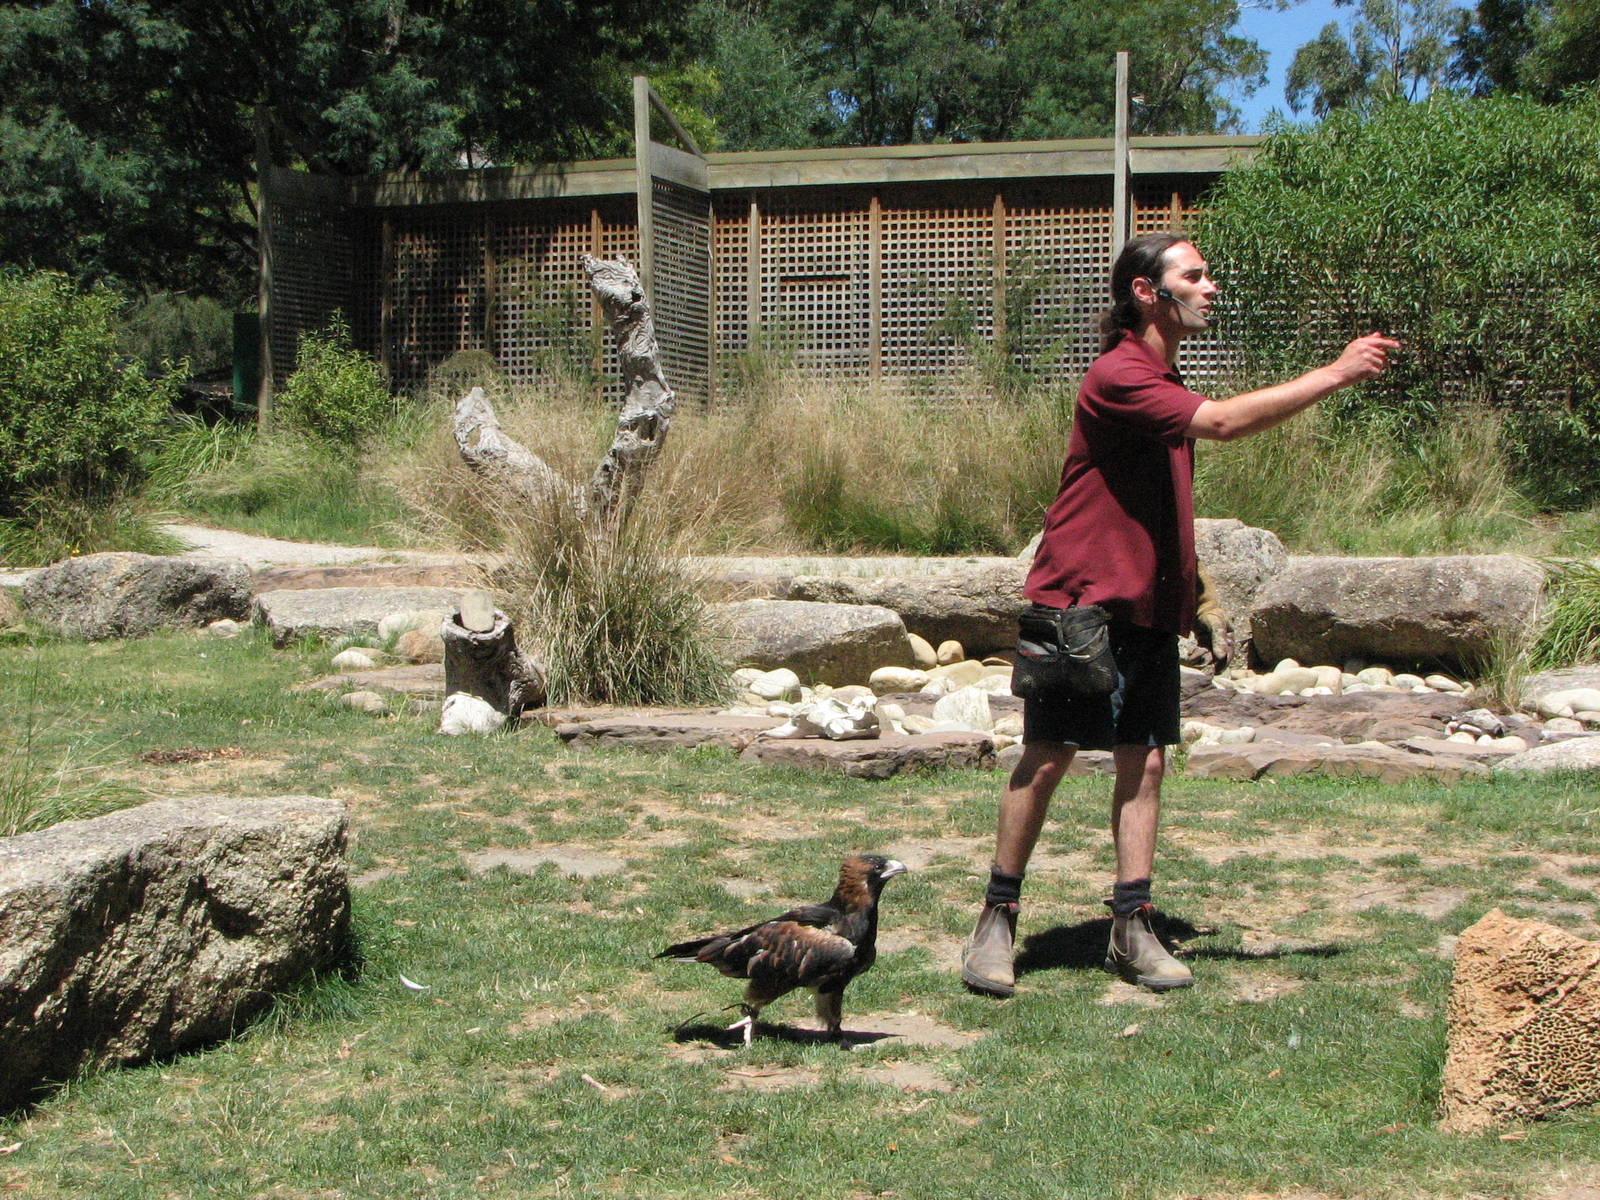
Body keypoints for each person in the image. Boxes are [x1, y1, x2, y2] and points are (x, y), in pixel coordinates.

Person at [961, 232, 1399, 997]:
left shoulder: (1162, 373)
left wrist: (1187, 595)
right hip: (1079, 600)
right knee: (1050, 754)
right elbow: (1225, 423)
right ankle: (996, 920)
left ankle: (1132, 927)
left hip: (1147, 606)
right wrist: (1334, 373)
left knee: (1147, 759)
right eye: (1193, 276)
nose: (1210, 286)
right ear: (1146, 292)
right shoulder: (1119, 373)